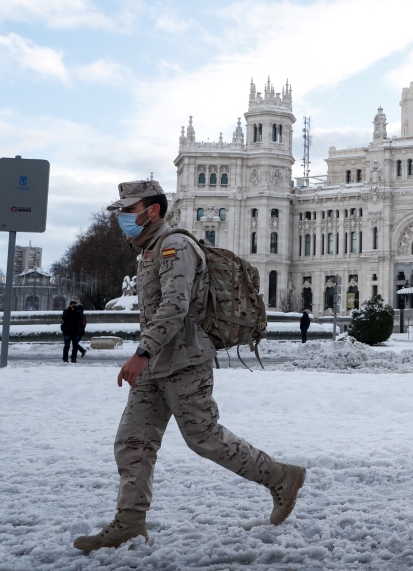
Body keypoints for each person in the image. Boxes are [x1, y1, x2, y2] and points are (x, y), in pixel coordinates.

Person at [74, 180, 306, 552]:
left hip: (184, 362)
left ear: (153, 210)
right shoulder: (149, 249)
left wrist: (141, 352)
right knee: (133, 442)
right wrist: (148, 358)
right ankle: (130, 523)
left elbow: (174, 307)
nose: (122, 218)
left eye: (129, 210)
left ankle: (281, 477)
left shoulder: (174, 246)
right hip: (155, 367)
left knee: (205, 438)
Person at [61, 299, 83, 363]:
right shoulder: (66, 311)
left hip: (75, 331)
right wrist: (70, 310)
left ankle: (74, 358)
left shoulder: (78, 311)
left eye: (75, 305)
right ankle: (65, 358)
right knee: (67, 345)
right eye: (73, 304)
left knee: (75, 346)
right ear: (70, 305)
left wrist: (75, 311)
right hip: (68, 330)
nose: (74, 306)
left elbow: (80, 318)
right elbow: (64, 318)